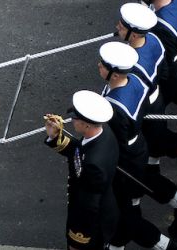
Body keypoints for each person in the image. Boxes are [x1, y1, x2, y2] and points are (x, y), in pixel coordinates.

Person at [41, 91, 118, 250]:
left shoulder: (93, 164)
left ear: (87, 124)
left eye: (76, 118)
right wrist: (56, 137)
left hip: (90, 222)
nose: (72, 121)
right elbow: (80, 151)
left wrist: (78, 237)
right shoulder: (102, 133)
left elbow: (88, 206)